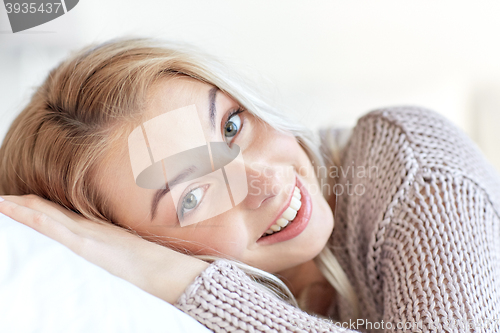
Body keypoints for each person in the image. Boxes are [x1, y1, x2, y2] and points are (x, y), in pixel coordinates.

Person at [1, 37, 500, 333]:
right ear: (126, 241)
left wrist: (184, 281)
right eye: (191, 196)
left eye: (231, 127)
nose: (262, 181)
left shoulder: (412, 162)